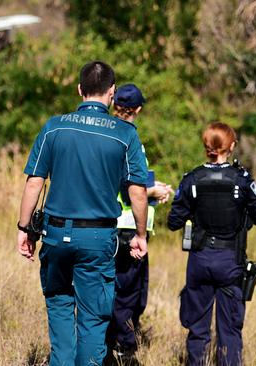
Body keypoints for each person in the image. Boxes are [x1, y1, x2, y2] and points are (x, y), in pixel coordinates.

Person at [17, 61, 149, 366]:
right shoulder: (125, 134)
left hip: (54, 234)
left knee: (60, 306)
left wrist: (24, 228)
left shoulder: (54, 126)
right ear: (112, 93)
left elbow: (34, 182)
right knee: (93, 317)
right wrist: (140, 235)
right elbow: (138, 191)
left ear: (80, 90)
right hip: (97, 237)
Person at [167, 122, 256, 366]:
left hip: (200, 260)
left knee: (198, 329)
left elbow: (174, 222)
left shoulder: (191, 179)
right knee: (230, 330)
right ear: (232, 146)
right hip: (230, 262)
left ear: (206, 146)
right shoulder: (242, 180)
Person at [105, 84, 174, 361]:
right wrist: (154, 192)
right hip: (127, 231)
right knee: (128, 296)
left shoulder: (105, 133)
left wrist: (151, 186)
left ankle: (108, 347)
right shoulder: (128, 138)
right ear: (139, 109)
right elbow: (129, 188)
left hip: (108, 226)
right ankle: (123, 351)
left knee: (113, 291)